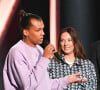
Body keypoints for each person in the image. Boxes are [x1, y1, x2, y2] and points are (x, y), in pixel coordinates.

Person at [3, 10, 88, 90]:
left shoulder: (39, 49)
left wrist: (67, 80)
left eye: (42, 29)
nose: (43, 33)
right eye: (38, 30)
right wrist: (44, 58)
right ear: (25, 32)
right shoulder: (17, 52)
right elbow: (28, 86)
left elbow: (45, 85)